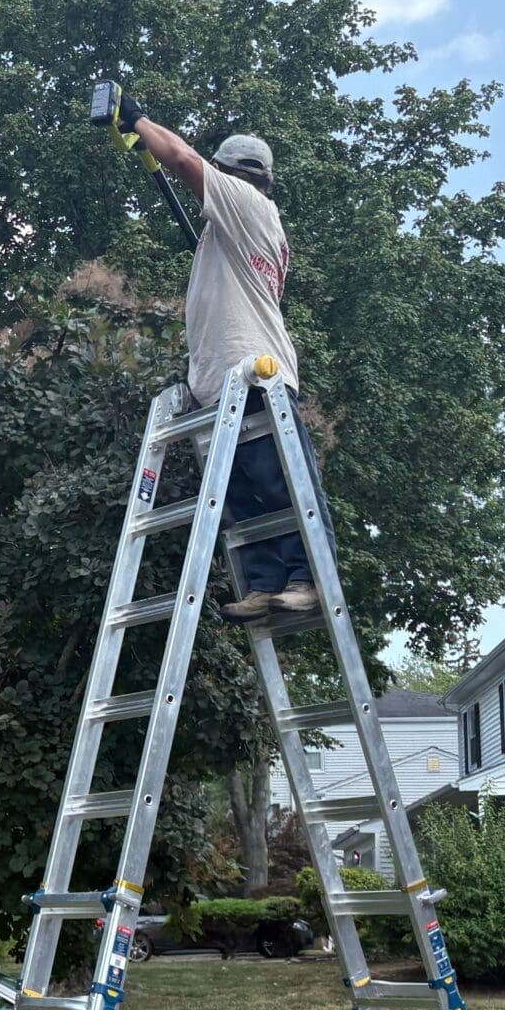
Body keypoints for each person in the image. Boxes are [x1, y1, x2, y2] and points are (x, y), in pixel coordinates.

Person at [108, 92, 315, 620]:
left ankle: (305, 577)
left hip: (254, 372)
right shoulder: (234, 229)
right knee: (243, 494)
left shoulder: (249, 204)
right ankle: (266, 584)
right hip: (220, 382)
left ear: (234, 174)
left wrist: (137, 119)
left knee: (280, 485)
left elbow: (181, 158)